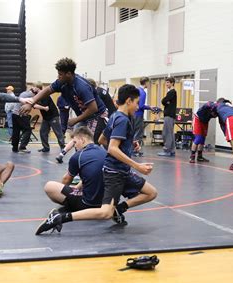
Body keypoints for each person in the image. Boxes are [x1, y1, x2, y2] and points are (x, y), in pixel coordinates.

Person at [35, 84, 156, 234]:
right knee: (105, 213)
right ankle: (61, 218)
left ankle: (118, 209)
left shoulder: (114, 117)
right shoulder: (122, 119)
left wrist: (128, 143)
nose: (138, 107)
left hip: (122, 171)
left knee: (151, 193)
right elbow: (111, 148)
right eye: (137, 103)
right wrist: (137, 166)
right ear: (129, 101)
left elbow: (102, 139)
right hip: (115, 173)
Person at [19, 58, 108, 163]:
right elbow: (47, 90)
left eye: (60, 74)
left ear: (69, 74)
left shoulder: (81, 86)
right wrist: (31, 102)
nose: (58, 77)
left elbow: (93, 108)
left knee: (89, 144)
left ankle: (98, 165)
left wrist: (76, 120)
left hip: (97, 115)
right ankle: (80, 169)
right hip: (85, 116)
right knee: (78, 142)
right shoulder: (61, 82)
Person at [196, 98, 233, 170]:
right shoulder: (228, 106)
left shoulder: (218, 105)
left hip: (231, 119)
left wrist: (200, 112)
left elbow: (209, 104)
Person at [34, 84, 65, 153]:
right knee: (43, 132)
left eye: (34, 87)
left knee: (58, 132)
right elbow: (37, 106)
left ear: (38, 88)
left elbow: (46, 108)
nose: (33, 88)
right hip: (46, 117)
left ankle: (63, 147)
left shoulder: (44, 95)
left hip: (53, 116)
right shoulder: (37, 96)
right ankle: (46, 147)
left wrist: (37, 106)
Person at [133, 77, 157, 157]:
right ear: (146, 82)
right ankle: (135, 150)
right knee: (138, 133)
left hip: (133, 114)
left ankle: (133, 150)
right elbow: (141, 106)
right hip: (139, 114)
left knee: (133, 132)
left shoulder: (136, 90)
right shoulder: (142, 92)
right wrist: (150, 107)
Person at [158, 77, 177, 156]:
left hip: (169, 115)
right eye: (166, 82)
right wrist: (166, 102)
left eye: (168, 82)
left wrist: (166, 101)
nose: (167, 84)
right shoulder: (171, 92)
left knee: (167, 133)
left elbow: (163, 100)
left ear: (172, 83)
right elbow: (166, 101)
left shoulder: (171, 92)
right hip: (170, 115)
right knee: (170, 133)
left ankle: (167, 150)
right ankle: (172, 150)